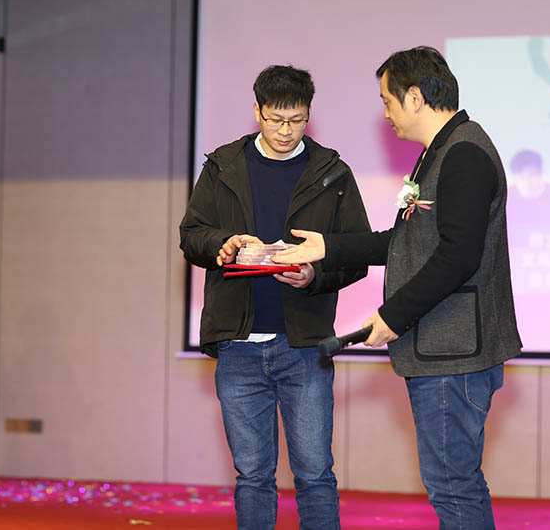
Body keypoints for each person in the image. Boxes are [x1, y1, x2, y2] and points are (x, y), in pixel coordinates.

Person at [274, 47, 522, 529]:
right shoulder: (443, 151)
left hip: (453, 354)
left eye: (387, 101)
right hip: (445, 351)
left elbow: (458, 256)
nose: (385, 114)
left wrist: (393, 316)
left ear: (414, 97)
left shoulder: (464, 153)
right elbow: (408, 241)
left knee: (452, 486)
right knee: (454, 484)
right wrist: (328, 247)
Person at [179, 65, 370, 530]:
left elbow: (358, 252)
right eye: (276, 120)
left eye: (297, 120)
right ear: (257, 112)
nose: (286, 131)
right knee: (252, 476)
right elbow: (191, 236)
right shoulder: (223, 167)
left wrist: (314, 276)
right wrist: (221, 243)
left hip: (303, 347)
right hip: (238, 346)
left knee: (315, 474)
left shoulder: (331, 172)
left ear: (309, 115)